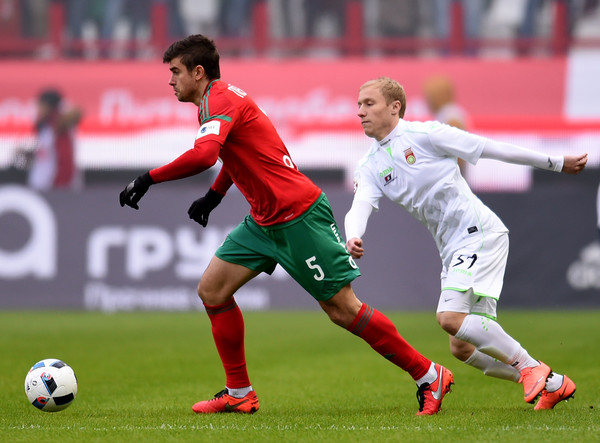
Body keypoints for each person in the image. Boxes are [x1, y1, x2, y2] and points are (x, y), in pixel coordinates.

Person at [119, 35, 453, 416]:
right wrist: (214, 196)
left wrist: (148, 178)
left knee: (343, 309)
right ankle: (239, 392)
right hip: (264, 221)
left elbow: (205, 155)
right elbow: (237, 152)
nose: (170, 80)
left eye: (175, 71)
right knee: (212, 290)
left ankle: (429, 374)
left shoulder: (219, 100)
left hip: (298, 215)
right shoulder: (216, 101)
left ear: (198, 72)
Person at [345, 77, 587, 411]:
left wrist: (556, 162)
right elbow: (359, 206)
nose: (360, 111)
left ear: (394, 107)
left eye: (369, 103)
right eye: (359, 105)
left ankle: (531, 367)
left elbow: (490, 148)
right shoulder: (370, 165)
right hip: (452, 248)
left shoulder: (427, 134)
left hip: (479, 233)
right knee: (460, 347)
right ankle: (553, 384)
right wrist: (353, 235)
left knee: (449, 317)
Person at [28, 89, 82, 191]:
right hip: (41, 186)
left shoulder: (61, 126)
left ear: (49, 106)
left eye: (41, 105)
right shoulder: (44, 127)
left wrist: (60, 186)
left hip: (56, 187)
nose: (38, 109)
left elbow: (65, 159)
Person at [422, 74, 469, 176]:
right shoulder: (445, 114)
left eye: (430, 96)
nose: (428, 101)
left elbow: (459, 155)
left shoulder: (451, 118)